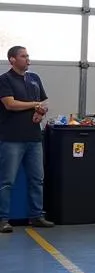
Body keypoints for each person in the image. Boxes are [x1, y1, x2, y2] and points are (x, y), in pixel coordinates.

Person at [0, 46, 54, 233]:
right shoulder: (4, 80)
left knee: (37, 179)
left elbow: (44, 103)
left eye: (28, 55)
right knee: (6, 181)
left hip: (34, 138)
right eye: (23, 56)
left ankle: (36, 216)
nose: (27, 59)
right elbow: (10, 104)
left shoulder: (34, 79)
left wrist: (41, 111)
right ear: (12, 60)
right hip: (11, 139)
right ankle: (3, 219)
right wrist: (34, 104)